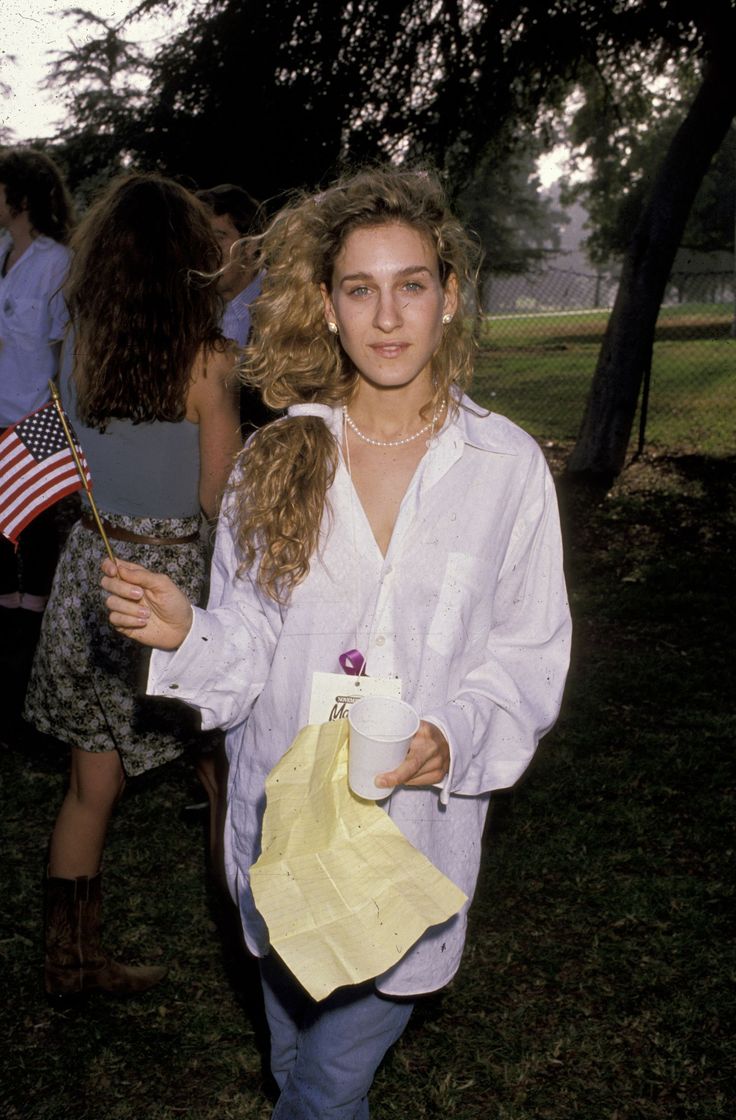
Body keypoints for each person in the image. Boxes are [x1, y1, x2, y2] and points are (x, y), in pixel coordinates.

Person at [101, 167, 571, 1115]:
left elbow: (525, 655)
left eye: (411, 285)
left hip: (409, 846)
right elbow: (246, 648)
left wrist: (457, 734)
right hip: (288, 838)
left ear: (449, 296)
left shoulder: (505, 469)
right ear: (325, 306)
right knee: (292, 1066)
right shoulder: (281, 458)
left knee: (321, 1089)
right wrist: (187, 630)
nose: (388, 316)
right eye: (360, 289)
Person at [24, 173, 242, 998]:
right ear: (184, 262)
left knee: (92, 782)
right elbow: (217, 497)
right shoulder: (210, 363)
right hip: (171, 588)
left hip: (92, 570)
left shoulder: (79, 346)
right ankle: (246, 951)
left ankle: (68, 964)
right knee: (220, 768)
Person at [0, 148, 74, 634]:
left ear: (20, 199)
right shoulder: (0, 248)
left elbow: (64, 343)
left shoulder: (58, 261)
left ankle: (32, 621)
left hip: (38, 413)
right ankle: (6, 607)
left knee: (39, 519)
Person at [196, 182, 273, 431]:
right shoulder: (191, 312)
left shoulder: (286, 305)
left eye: (219, 237)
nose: (206, 249)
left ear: (250, 245)